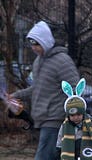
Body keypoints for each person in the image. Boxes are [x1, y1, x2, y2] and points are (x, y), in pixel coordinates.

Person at [10, 21, 80, 160]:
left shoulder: (62, 61)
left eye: (37, 44)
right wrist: (15, 95)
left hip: (55, 120)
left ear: (46, 42)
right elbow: (38, 88)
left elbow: (76, 89)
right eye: (32, 44)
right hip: (42, 119)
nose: (34, 48)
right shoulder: (38, 62)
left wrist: (71, 114)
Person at [56, 78, 92, 160]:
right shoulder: (65, 126)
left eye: (78, 114)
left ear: (83, 113)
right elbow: (59, 145)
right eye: (72, 115)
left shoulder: (91, 124)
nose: (76, 117)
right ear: (68, 115)